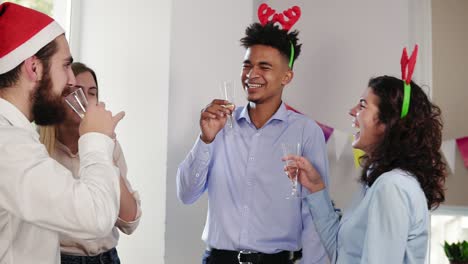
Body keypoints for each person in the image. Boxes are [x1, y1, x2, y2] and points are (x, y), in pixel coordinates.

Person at [176, 21, 329, 264]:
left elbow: (315, 213)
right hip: (218, 259)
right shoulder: (221, 125)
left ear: (286, 76)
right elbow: (185, 193)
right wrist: (205, 139)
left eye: (264, 67)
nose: (252, 74)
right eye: (247, 65)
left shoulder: (306, 132)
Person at [0, 3, 125, 263]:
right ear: (34, 68)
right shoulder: (7, 143)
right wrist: (95, 138)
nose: (71, 80)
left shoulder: (17, 134)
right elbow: (96, 215)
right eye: (65, 65)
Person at [286, 74, 447, 263]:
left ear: (388, 122)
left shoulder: (392, 186)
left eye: (362, 105)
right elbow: (342, 254)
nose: (352, 111)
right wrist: (316, 188)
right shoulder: (377, 182)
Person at [39, 62, 141, 264]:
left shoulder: (108, 147)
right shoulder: (39, 148)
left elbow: (129, 222)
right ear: (57, 97)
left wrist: (106, 149)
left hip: (107, 258)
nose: (85, 100)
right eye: (75, 91)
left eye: (92, 93)